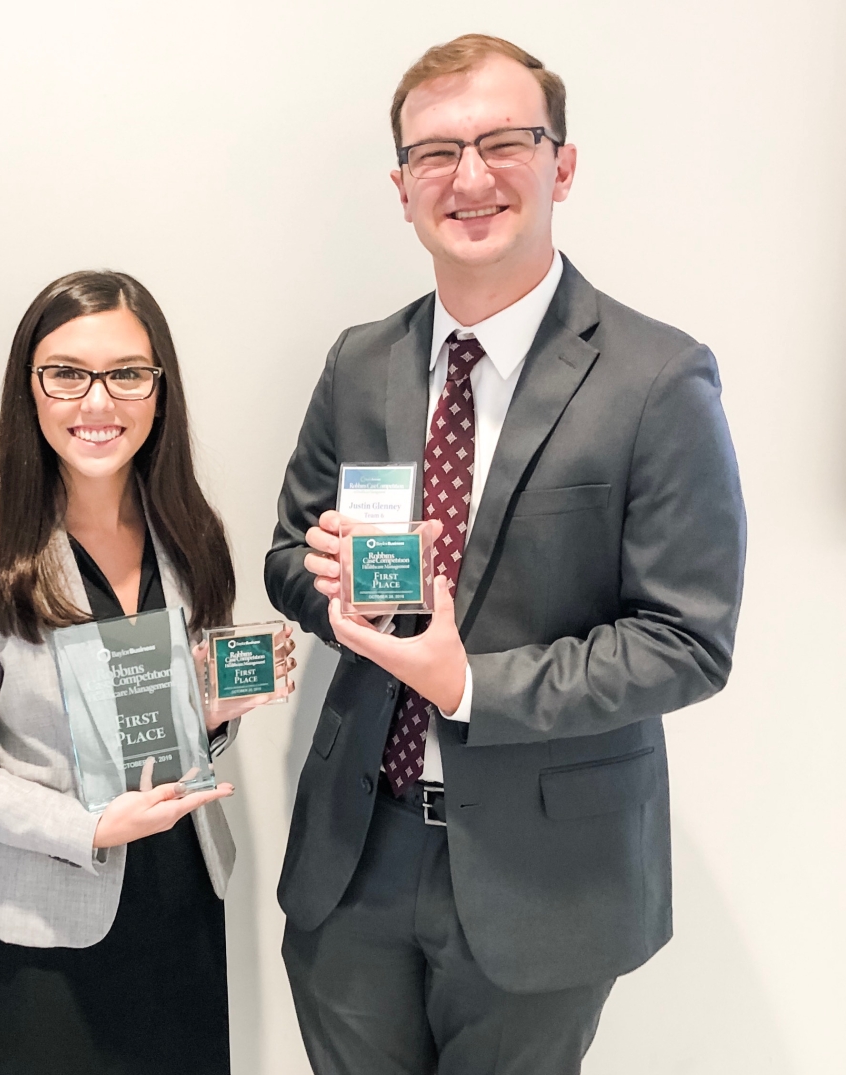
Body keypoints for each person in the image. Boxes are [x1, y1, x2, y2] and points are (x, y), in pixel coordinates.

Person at [265, 34, 746, 1074]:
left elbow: (686, 642)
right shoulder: (360, 363)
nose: (470, 177)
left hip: (547, 878)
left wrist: (469, 683)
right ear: (401, 188)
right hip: (355, 854)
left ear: (561, 165)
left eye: (503, 141)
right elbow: (285, 551)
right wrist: (331, 588)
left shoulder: (659, 379)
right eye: (436, 153)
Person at [0, 270, 294, 1075]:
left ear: (159, 391)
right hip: (50, 918)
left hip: (183, 896)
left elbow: (177, 727)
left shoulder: (190, 533)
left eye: (127, 374)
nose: (98, 402)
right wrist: (89, 826)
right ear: (32, 390)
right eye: (67, 374)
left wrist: (215, 711)